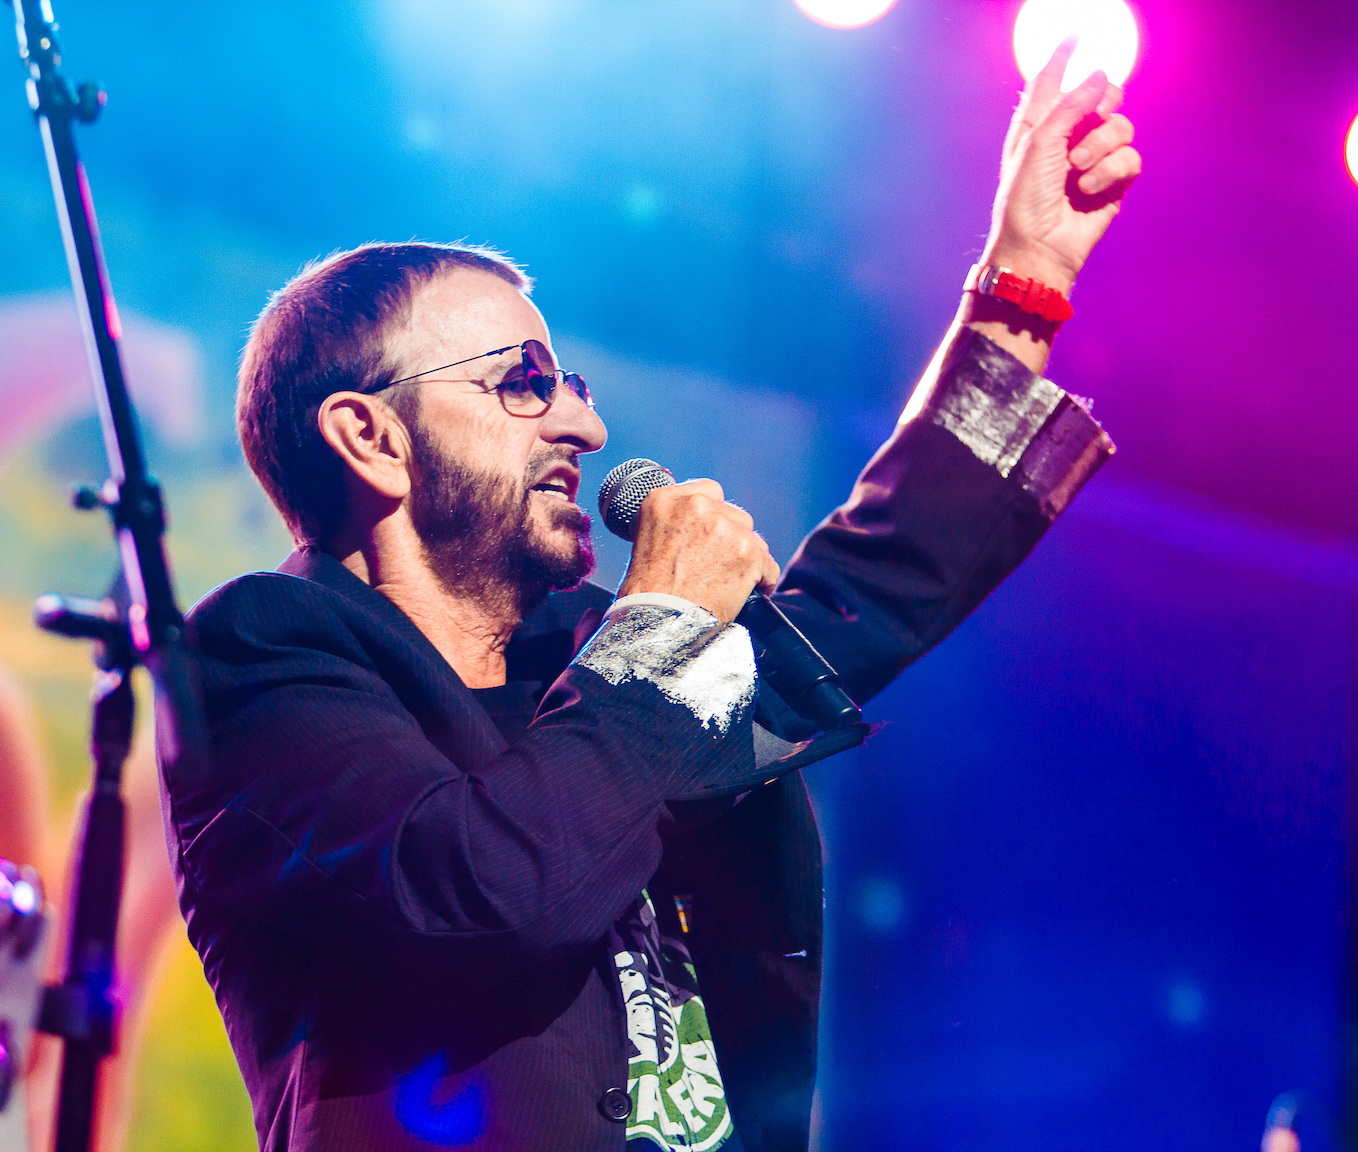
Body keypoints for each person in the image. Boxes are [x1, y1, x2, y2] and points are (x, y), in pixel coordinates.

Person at [161, 39, 1141, 1152]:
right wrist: (660, 623)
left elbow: (852, 606)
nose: (584, 425)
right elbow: (479, 889)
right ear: (372, 437)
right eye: (524, 383)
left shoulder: (584, 658)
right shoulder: (260, 660)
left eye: (570, 386)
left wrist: (1021, 291)